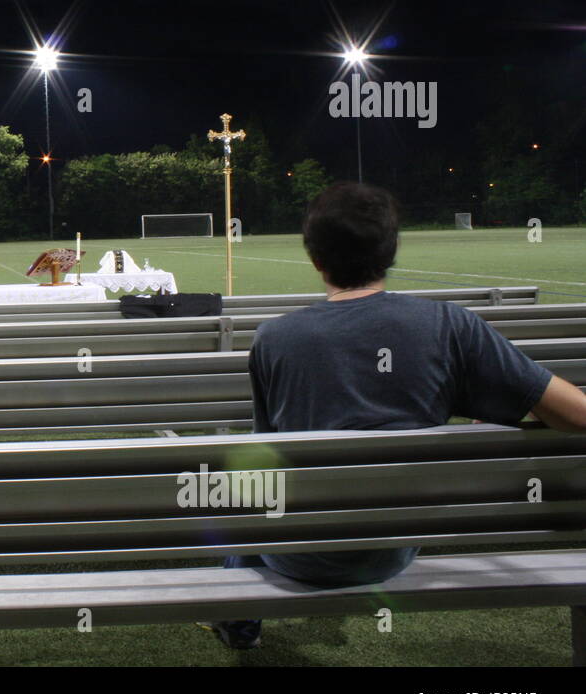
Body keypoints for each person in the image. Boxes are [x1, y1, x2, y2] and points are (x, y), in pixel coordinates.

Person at [205, 182, 586, 649]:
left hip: (297, 553)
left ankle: (236, 614)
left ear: (315, 258)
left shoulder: (274, 338)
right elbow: (578, 415)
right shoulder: (450, 327)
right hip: (392, 550)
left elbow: (263, 458)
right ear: (392, 250)